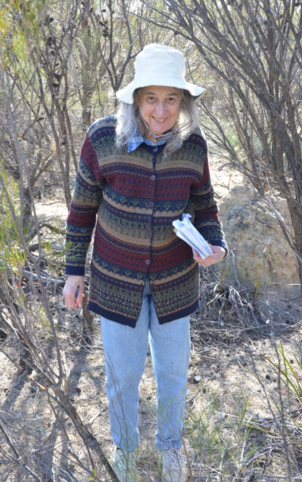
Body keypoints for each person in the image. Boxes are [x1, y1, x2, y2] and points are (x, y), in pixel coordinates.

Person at [63, 44, 228, 482]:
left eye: (171, 98)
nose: (161, 110)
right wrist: (73, 272)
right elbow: (81, 211)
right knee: (122, 378)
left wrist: (217, 247)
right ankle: (127, 454)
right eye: (151, 98)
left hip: (176, 283)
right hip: (116, 284)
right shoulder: (102, 139)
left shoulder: (193, 146)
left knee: (173, 374)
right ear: (135, 99)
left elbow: (207, 208)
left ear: (183, 102)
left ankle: (172, 449)